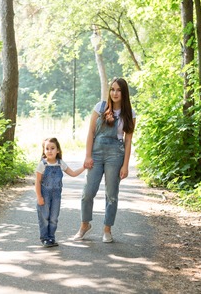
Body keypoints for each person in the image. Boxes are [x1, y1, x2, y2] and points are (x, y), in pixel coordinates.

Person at [73, 77, 136, 243]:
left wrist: (125, 165)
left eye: (118, 90)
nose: (115, 93)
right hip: (97, 153)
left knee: (111, 195)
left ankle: (107, 229)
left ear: (124, 93)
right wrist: (88, 155)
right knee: (88, 192)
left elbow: (128, 141)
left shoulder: (130, 113)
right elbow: (91, 133)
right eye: (112, 89)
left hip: (116, 155)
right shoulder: (100, 107)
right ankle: (84, 225)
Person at [35, 137, 85, 248]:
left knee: (53, 218)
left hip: (56, 196)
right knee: (44, 217)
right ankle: (45, 238)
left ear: (58, 150)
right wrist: (39, 197)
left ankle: (51, 238)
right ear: (44, 151)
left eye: (52, 148)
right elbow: (37, 182)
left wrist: (84, 167)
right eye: (47, 148)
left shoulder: (60, 163)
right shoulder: (43, 164)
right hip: (44, 195)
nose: (49, 151)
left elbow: (73, 173)